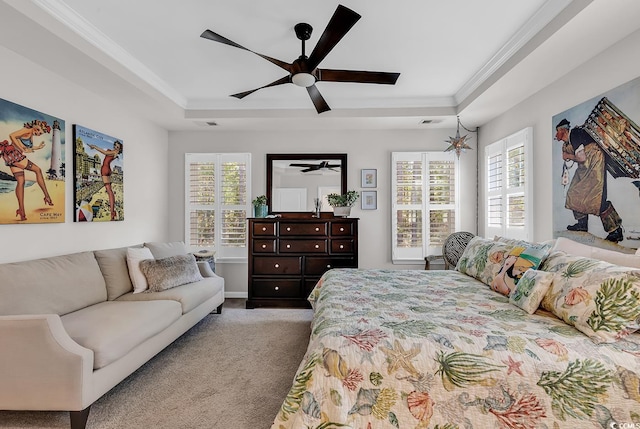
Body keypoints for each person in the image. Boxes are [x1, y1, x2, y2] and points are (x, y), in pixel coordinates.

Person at [555, 118, 623, 242]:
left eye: (557, 131)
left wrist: (568, 156)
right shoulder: (569, 140)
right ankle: (582, 225)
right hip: (585, 167)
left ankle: (615, 231)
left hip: (594, 164)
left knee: (596, 199)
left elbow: (581, 157)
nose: (556, 135)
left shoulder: (575, 134)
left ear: (563, 130)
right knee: (574, 194)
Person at [0, 120, 53, 221]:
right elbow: (12, 135)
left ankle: (21, 211)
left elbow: (27, 146)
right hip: (15, 155)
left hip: (12, 157)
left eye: (40, 133)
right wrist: (23, 149)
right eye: (38, 130)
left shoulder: (30, 133)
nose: (38, 133)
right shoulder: (27, 130)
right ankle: (47, 196)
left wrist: (38, 147)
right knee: (38, 170)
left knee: (21, 182)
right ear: (35, 126)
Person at [89, 140, 122, 220]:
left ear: (120, 149)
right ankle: (112, 212)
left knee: (109, 191)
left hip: (105, 169)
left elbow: (104, 152)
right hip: (108, 169)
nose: (115, 147)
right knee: (110, 191)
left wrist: (95, 146)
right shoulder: (115, 153)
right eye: (115, 146)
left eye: (117, 147)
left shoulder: (114, 152)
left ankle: (112, 213)